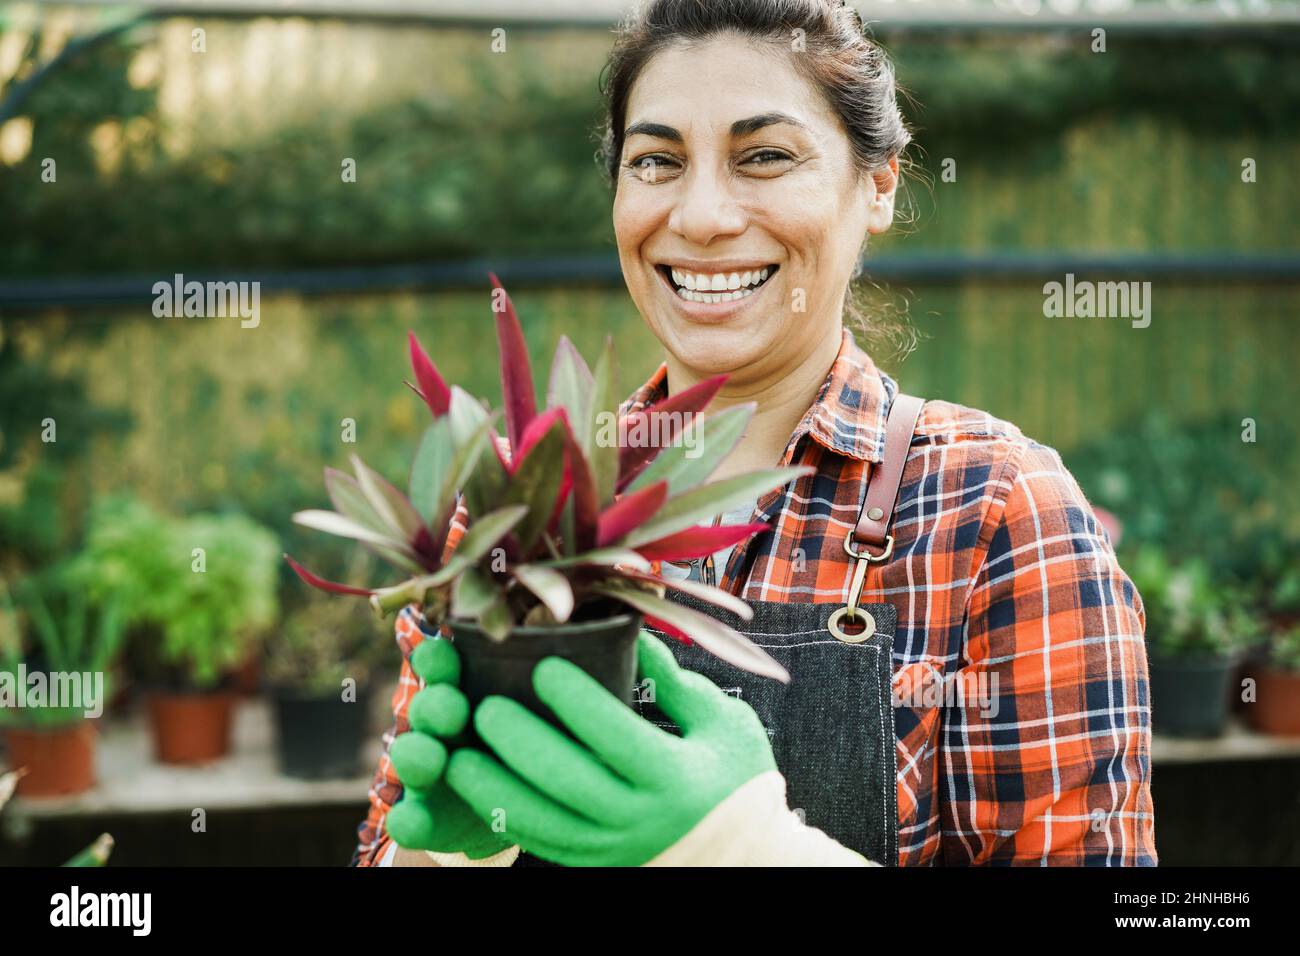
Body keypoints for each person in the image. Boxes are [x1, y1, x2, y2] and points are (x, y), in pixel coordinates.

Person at [352, 0, 1155, 867]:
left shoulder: (997, 513)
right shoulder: (525, 511)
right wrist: (448, 857)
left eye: (764, 156)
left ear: (877, 185)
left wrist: (744, 847)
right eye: (656, 160)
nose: (700, 216)